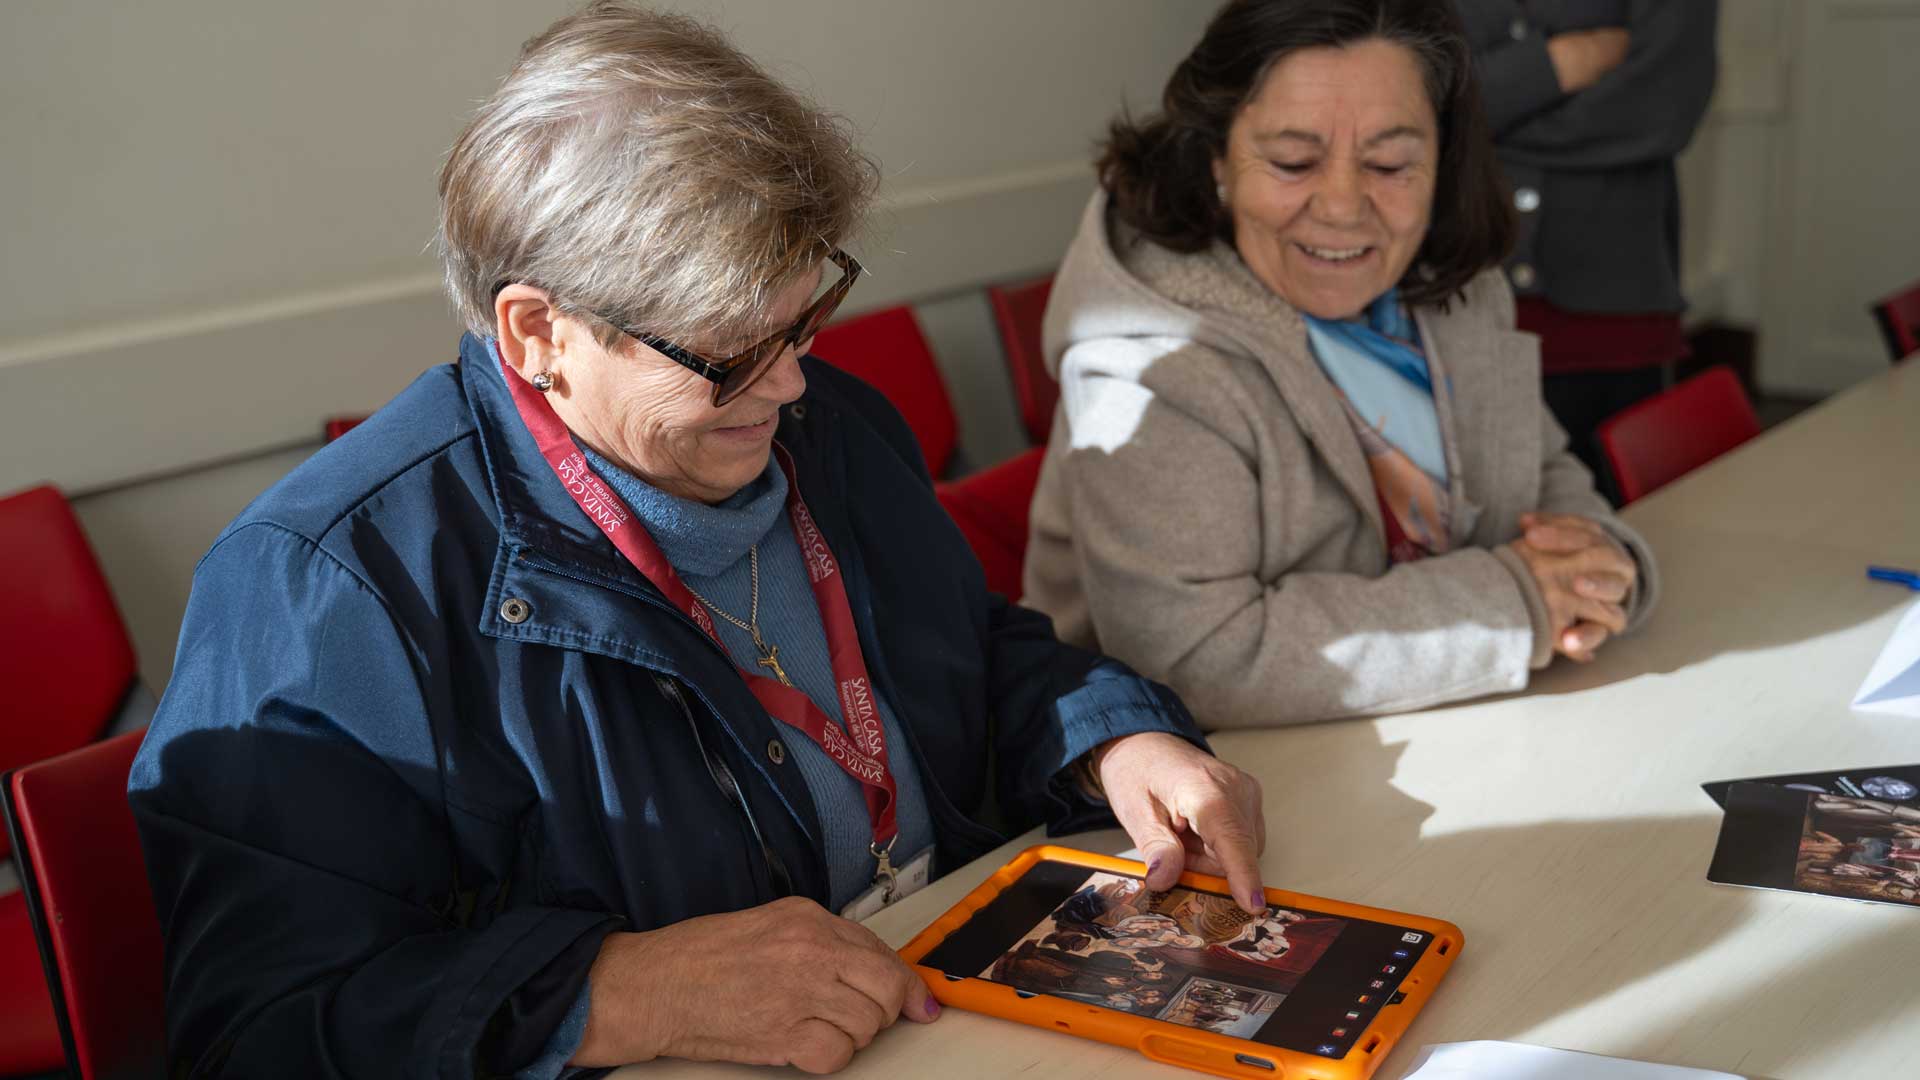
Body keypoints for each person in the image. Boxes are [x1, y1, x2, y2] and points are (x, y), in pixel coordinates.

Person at [126, 5, 1268, 1076]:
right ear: (539, 333)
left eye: (805, 315)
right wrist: (620, 992)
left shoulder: (834, 429)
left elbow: (973, 654)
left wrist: (1109, 743)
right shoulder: (332, 587)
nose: (791, 378)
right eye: (728, 349)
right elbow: (260, 1025)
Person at [1022, 0, 1660, 729]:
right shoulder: (1148, 368)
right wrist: (1518, 600)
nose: (1342, 205)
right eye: (1293, 162)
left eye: (1390, 163)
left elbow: (1542, 474)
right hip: (1218, 784)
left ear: (1440, 166)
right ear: (1218, 165)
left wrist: (1603, 566)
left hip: (1453, 720)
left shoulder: (1455, 295)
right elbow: (1191, 658)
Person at [1454, 1, 1719, 495]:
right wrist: (1557, 64)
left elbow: (1664, 108)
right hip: (1453, 306)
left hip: (1611, 313)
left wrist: (1479, 126)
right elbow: (1409, 93)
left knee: (1624, 537)